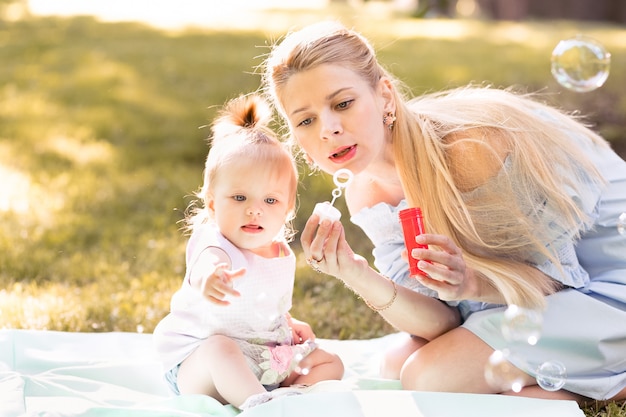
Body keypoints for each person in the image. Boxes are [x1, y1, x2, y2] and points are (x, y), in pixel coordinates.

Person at [261, 20, 626, 404]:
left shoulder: (471, 151)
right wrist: (355, 271)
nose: (329, 129)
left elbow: (557, 281)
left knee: (430, 375)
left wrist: (469, 285)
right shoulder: (364, 191)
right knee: (396, 364)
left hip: (604, 281)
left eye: (343, 103)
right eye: (306, 120)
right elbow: (439, 321)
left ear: (384, 95)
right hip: (527, 300)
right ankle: (567, 384)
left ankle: (612, 383)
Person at [152, 93, 344, 410]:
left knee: (329, 362)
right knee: (220, 348)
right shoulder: (215, 242)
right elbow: (207, 264)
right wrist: (209, 278)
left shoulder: (280, 251)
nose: (255, 211)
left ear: (287, 210)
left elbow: (264, 305)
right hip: (202, 368)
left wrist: (287, 325)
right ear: (213, 204)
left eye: (269, 201)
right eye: (240, 198)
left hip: (262, 358)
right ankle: (260, 405)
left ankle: (288, 395)